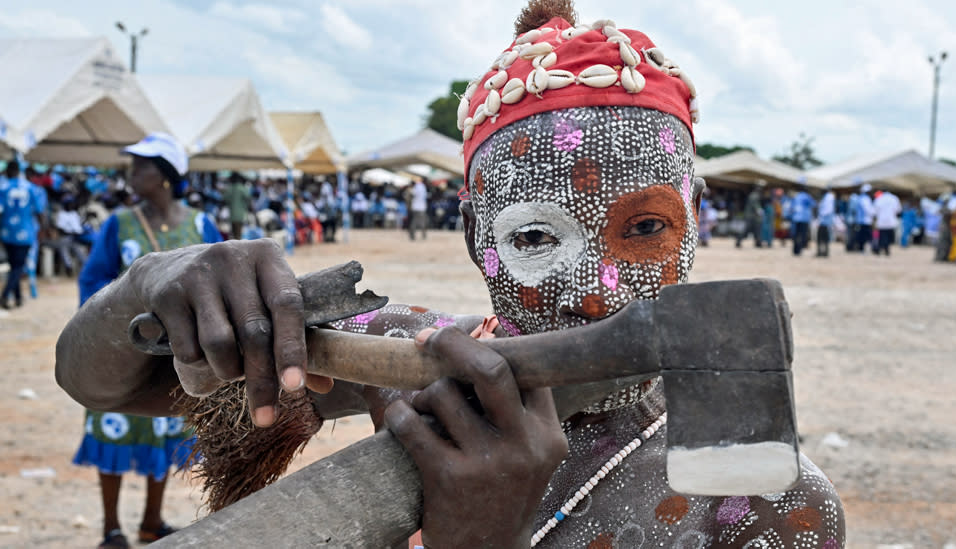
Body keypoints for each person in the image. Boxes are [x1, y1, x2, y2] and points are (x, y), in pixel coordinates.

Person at [55, 3, 845, 547]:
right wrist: (154, 278)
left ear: (694, 218)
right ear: (474, 236)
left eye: (644, 228)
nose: (597, 286)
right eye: (535, 234)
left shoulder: (768, 500)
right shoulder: (415, 365)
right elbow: (107, 385)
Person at [70, 133, 222, 549]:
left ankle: (151, 522)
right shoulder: (119, 225)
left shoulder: (200, 225)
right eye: (133, 165)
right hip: (121, 353)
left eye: (143, 166)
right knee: (114, 425)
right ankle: (110, 529)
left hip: (177, 356)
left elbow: (217, 279)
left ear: (168, 177)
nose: (133, 173)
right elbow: (93, 280)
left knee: (166, 427)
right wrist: (109, 323)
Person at [0, 160, 45, 309]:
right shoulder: (30, 188)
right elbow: (39, 211)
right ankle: (5, 295)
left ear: (7, 172)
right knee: (18, 266)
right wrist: (42, 230)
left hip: (7, 232)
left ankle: (18, 298)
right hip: (25, 232)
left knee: (14, 265)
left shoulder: (3, 188)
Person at [872, 189, 901, 256]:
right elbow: (898, 210)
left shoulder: (879, 198)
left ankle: (880, 248)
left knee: (882, 236)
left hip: (881, 221)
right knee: (888, 236)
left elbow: (874, 211)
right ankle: (886, 249)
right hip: (891, 221)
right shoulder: (894, 198)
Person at [222, 173, 251, 240]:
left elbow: (224, 199)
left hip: (232, 215)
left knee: (234, 234)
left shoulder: (230, 188)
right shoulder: (242, 188)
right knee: (239, 234)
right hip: (240, 215)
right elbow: (248, 198)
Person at [788, 185, 815, 256]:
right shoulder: (807, 196)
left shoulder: (796, 196)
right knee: (802, 234)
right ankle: (800, 249)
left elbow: (791, 207)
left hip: (796, 218)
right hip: (804, 218)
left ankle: (795, 250)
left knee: (796, 234)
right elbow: (813, 204)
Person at [815, 187, 836, 257]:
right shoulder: (827, 197)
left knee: (822, 238)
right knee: (823, 238)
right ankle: (822, 252)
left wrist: (820, 217)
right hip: (824, 221)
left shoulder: (828, 198)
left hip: (824, 221)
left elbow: (827, 210)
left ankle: (822, 252)